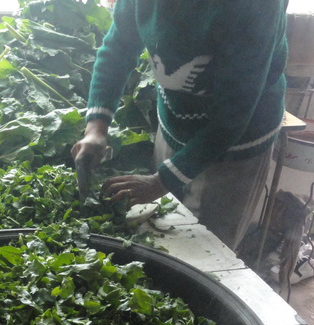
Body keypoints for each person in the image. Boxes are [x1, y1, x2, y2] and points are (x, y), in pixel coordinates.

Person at [72, 0, 289, 251]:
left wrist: (160, 181)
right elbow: (117, 49)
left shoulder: (254, 6)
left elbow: (233, 115)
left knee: (207, 248)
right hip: (176, 122)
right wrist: (96, 128)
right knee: (160, 231)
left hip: (238, 145)